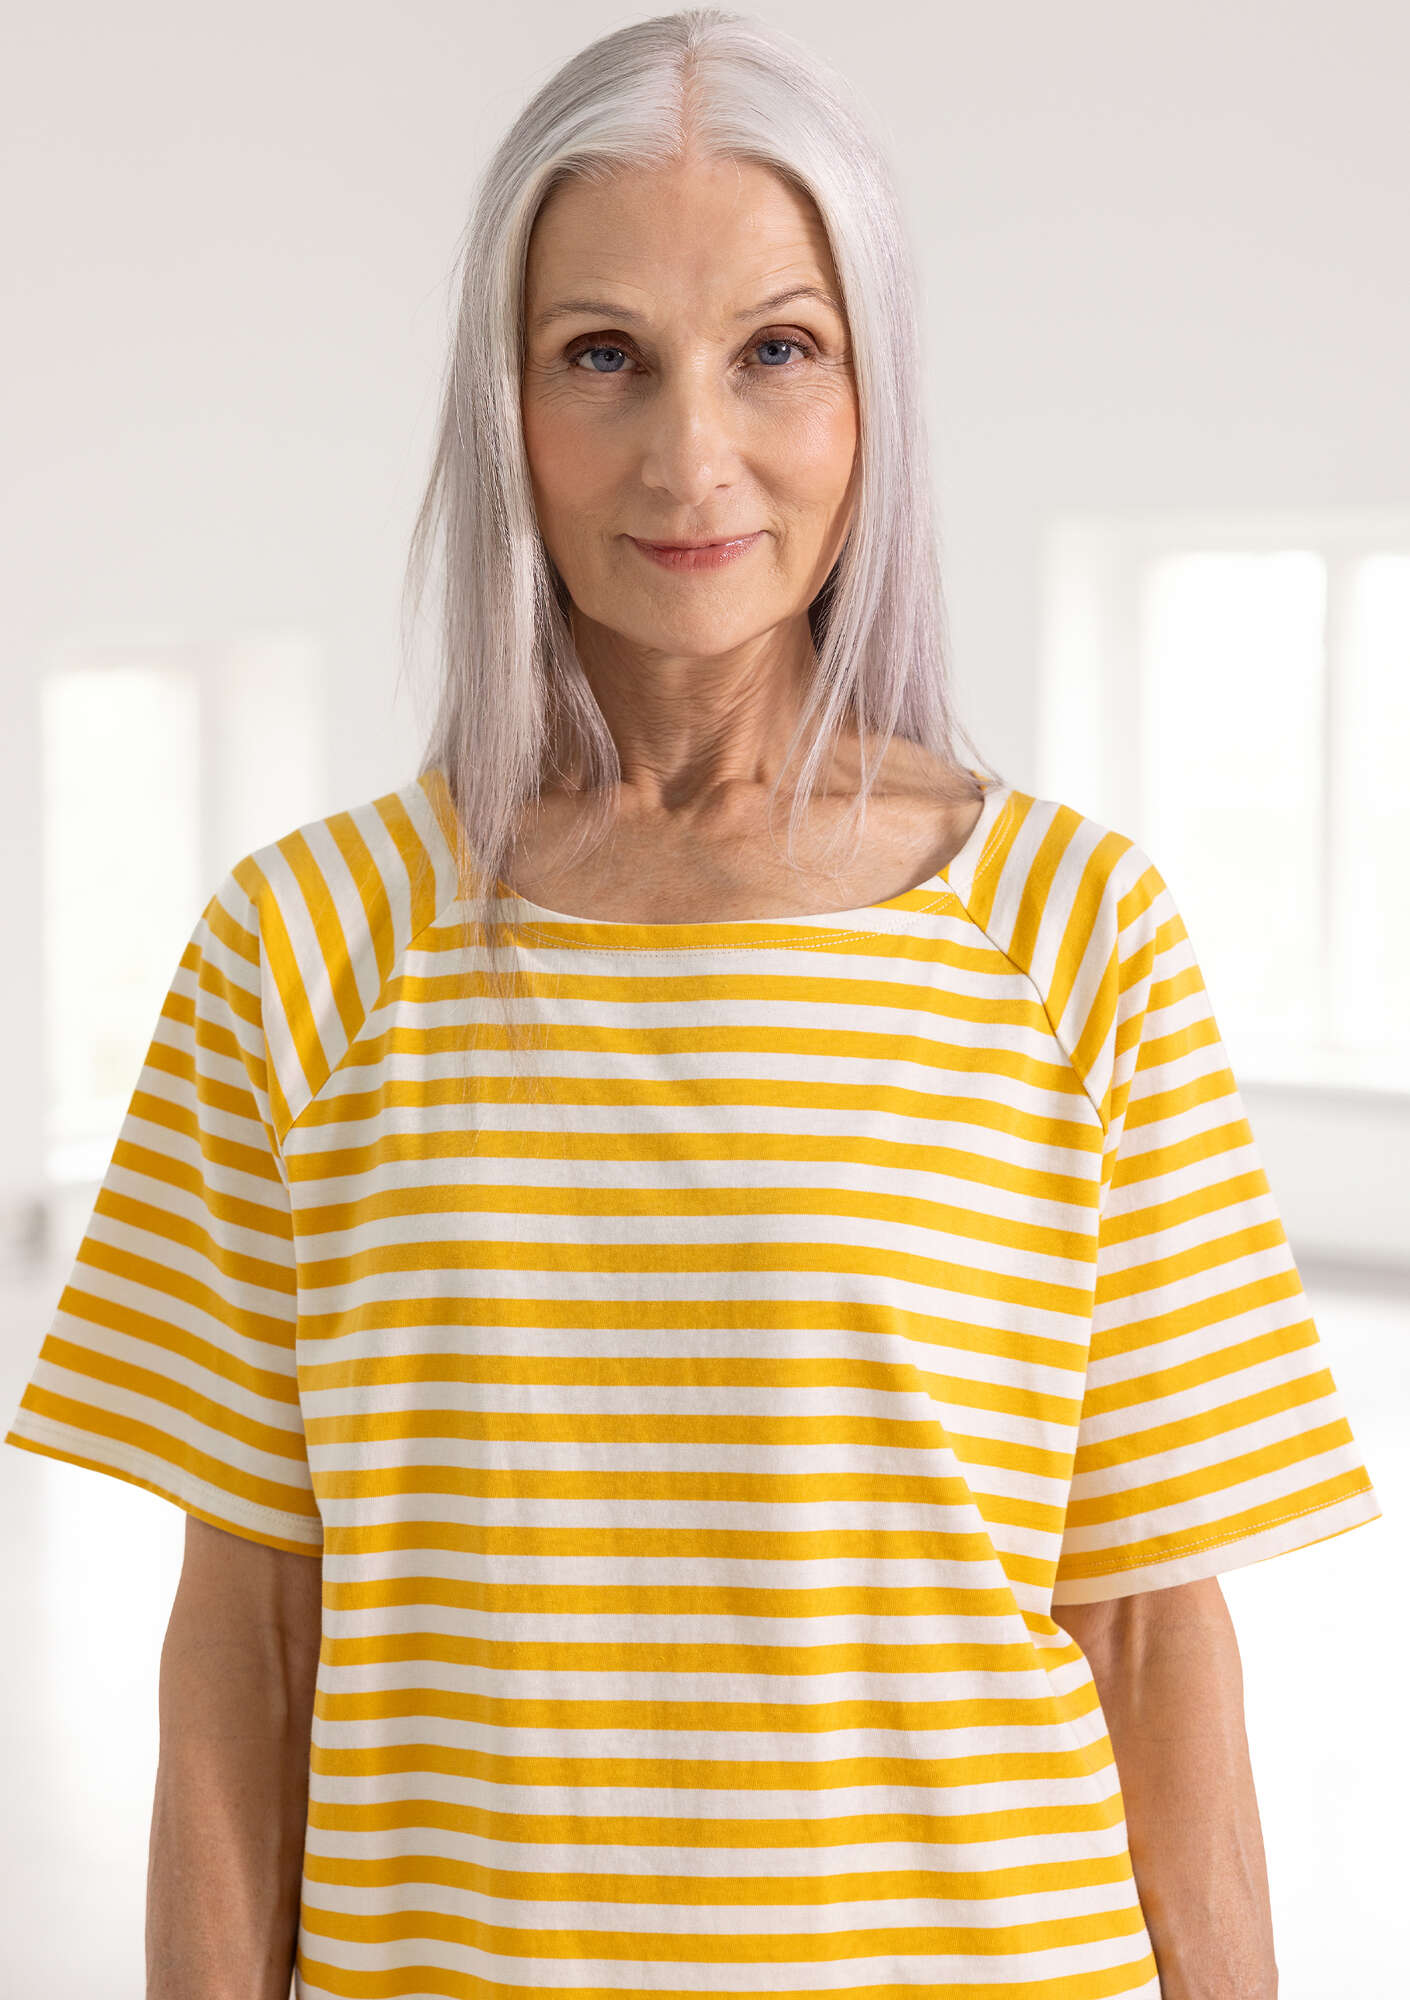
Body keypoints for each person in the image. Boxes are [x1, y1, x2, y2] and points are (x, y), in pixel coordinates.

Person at [4, 11, 1383, 2000]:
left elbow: (1153, 1635)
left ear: (874, 394)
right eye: (602, 355)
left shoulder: (1078, 935)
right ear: (502, 403)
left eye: (776, 349)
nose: (690, 457)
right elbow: (249, 1638)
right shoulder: (300, 949)